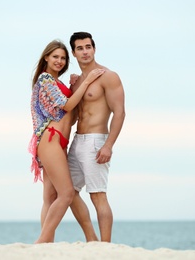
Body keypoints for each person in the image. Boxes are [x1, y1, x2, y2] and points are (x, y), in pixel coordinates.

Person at [28, 39, 104, 243]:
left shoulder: (59, 83)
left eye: (63, 58)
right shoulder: (45, 80)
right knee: (67, 193)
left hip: (60, 142)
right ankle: (42, 241)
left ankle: (49, 243)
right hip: (50, 139)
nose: (59, 61)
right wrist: (86, 81)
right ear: (46, 57)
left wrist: (73, 84)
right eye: (55, 57)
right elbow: (68, 105)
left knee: (50, 197)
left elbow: (72, 113)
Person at [68, 32, 126, 242]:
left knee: (98, 195)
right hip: (77, 141)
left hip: (96, 141)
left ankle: (106, 246)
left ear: (94, 48)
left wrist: (108, 145)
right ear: (73, 53)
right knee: (67, 192)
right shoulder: (78, 81)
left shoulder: (108, 76)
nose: (85, 52)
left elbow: (119, 112)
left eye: (88, 47)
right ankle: (92, 240)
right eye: (80, 48)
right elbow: (73, 115)